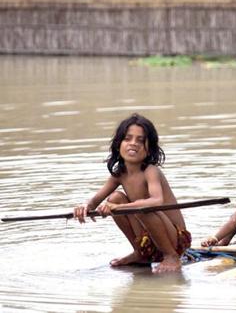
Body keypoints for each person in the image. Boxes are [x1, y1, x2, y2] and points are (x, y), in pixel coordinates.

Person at [73, 113, 190, 274]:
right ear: (118, 144)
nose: (133, 144)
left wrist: (118, 208)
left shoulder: (151, 171)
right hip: (149, 240)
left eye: (140, 140)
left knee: (142, 207)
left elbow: (156, 201)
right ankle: (142, 254)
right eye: (128, 139)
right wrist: (84, 207)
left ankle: (170, 256)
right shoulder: (119, 174)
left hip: (175, 241)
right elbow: (95, 201)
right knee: (115, 198)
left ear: (149, 149)